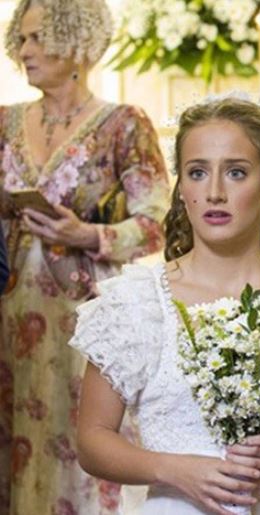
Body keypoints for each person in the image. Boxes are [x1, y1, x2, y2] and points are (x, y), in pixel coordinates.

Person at [68, 95, 260, 515]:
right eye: (197, 173)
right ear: (182, 190)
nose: (214, 192)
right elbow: (93, 439)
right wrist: (173, 470)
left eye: (236, 172)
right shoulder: (135, 303)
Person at [0, 0, 170, 512]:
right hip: (8, 318)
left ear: (76, 43)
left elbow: (157, 222)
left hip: (86, 321)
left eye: (37, 38)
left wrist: (90, 235)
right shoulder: (3, 123)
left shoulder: (123, 125)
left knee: (79, 446)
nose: (24, 51)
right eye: (21, 39)